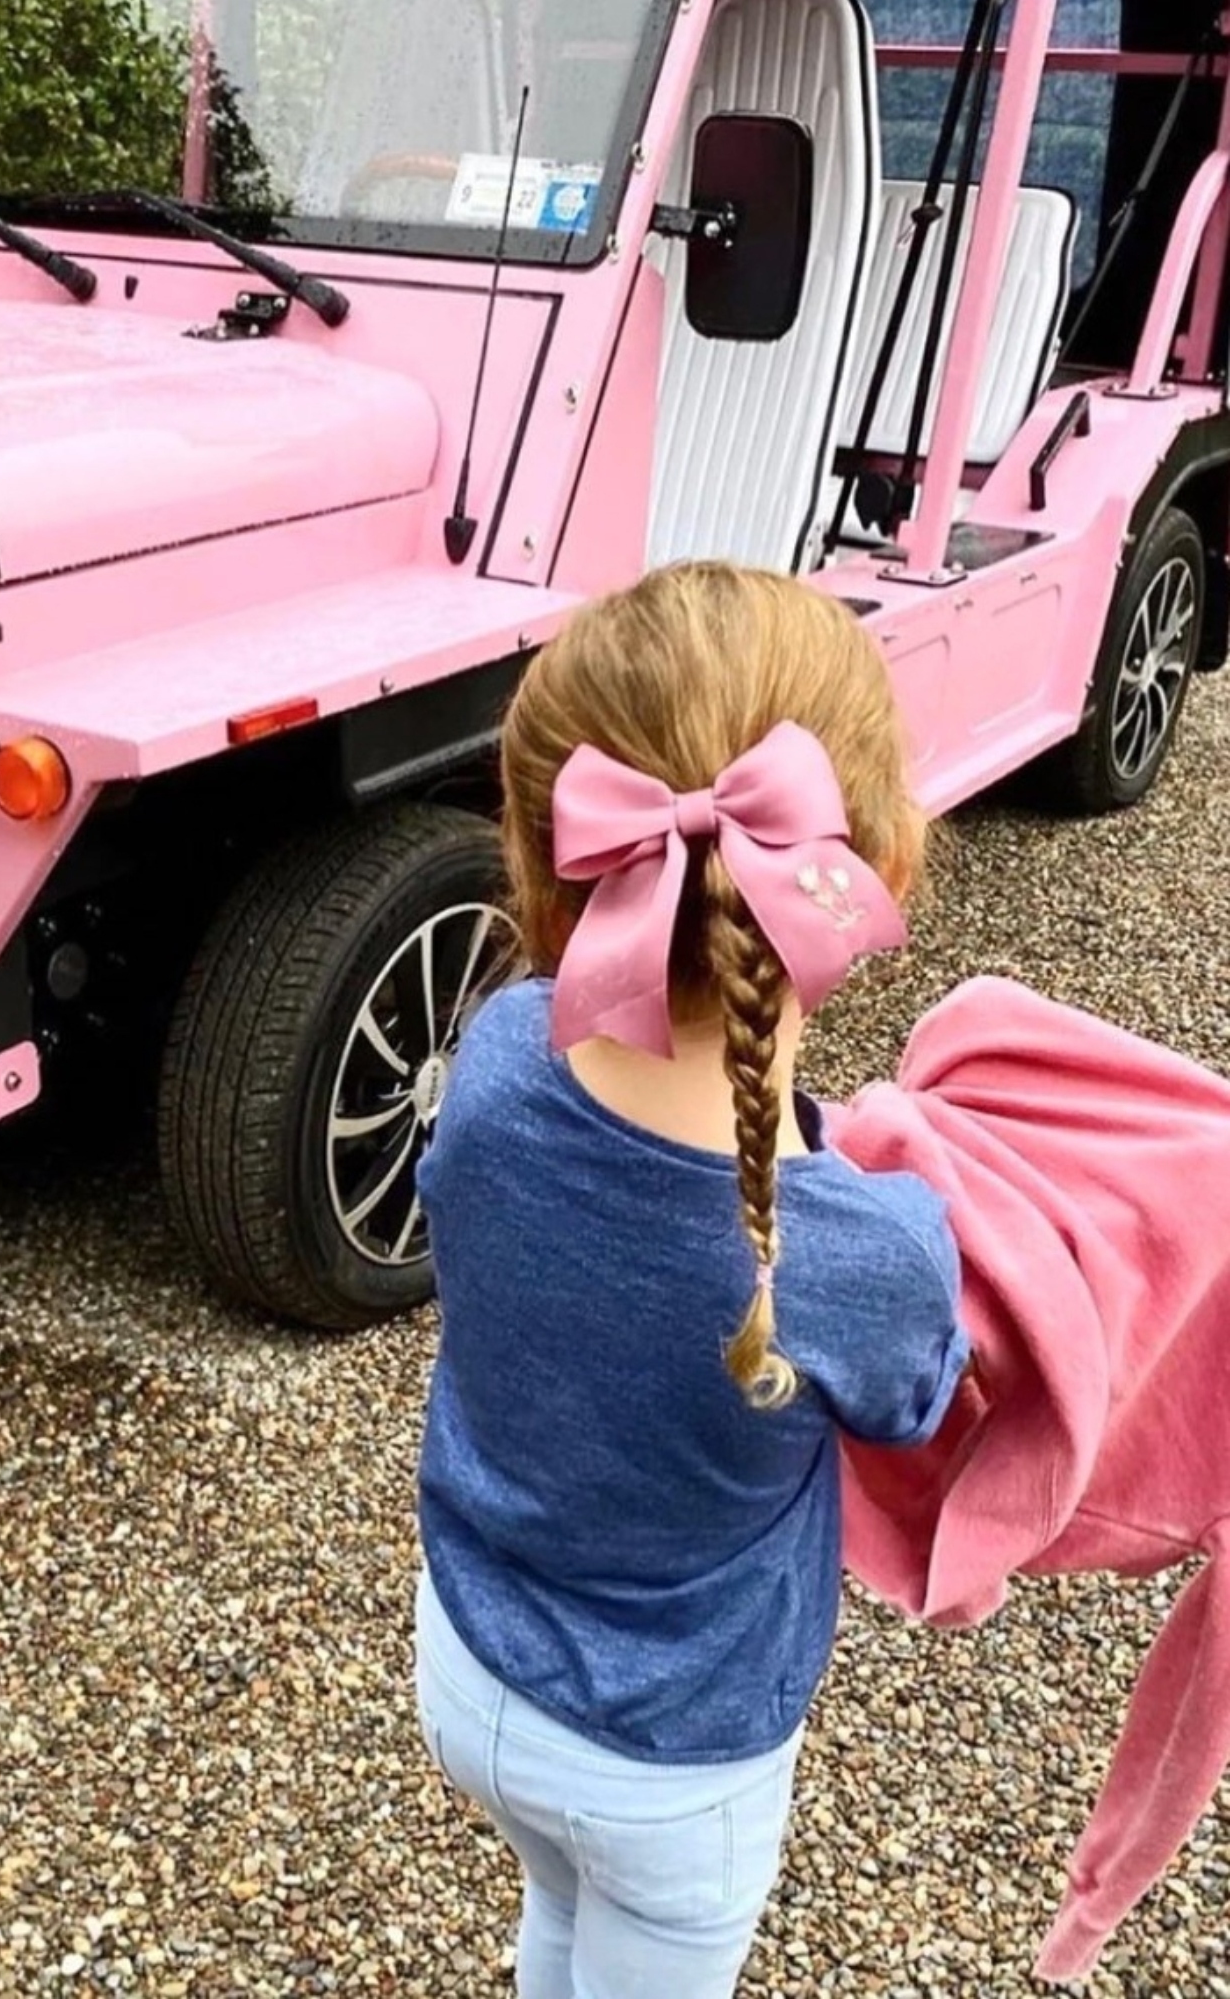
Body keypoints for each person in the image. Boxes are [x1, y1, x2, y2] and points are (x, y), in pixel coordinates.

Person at [412, 562, 971, 1999]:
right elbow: (918, 1405)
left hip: (469, 1669)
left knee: (554, 1906)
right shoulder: (864, 1253)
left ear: (545, 867)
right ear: (879, 870)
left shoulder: (489, 1071)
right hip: (674, 1765)